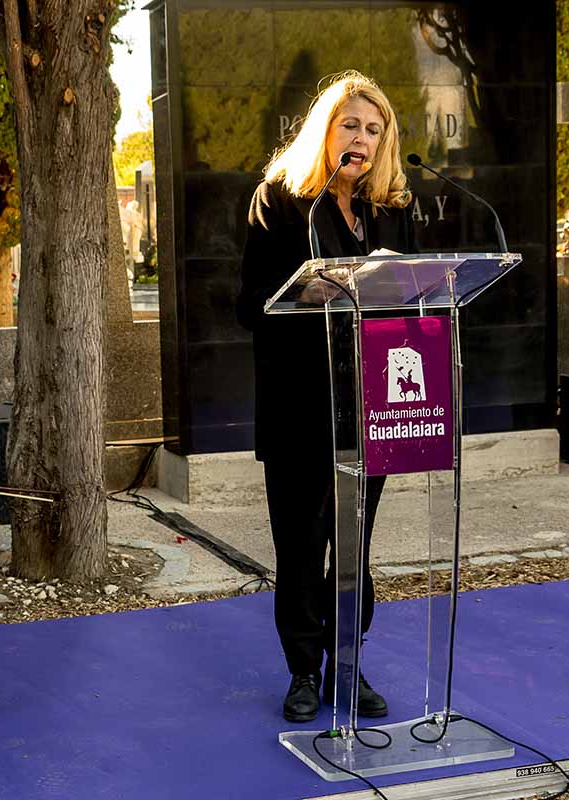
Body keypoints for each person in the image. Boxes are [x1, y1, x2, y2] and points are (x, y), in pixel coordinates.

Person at [236, 71, 417, 723]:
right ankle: (302, 673)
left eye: (374, 129)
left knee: (354, 546)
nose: (362, 139)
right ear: (326, 131)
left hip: (371, 407)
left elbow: (414, 293)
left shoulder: (389, 208)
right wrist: (305, 295)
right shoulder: (282, 201)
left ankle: (348, 664)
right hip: (297, 407)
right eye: (351, 125)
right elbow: (249, 304)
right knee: (301, 543)